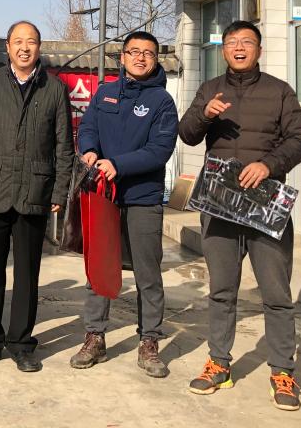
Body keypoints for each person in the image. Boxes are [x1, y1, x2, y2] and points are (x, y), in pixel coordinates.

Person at [178, 20, 301, 411]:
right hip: (220, 205)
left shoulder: (279, 91)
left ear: (258, 50)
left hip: (265, 204)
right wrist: (205, 114)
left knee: (276, 293)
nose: (239, 48)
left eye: (246, 42)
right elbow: (187, 134)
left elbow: (299, 138)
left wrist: (269, 165)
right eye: (232, 42)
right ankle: (219, 363)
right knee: (221, 290)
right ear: (223, 50)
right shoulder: (209, 90)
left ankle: (282, 371)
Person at [0, 21, 73, 372]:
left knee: (27, 275)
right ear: (7, 47)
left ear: (39, 47)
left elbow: (64, 146)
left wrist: (59, 190)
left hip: (34, 192)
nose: (25, 48)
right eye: (18, 41)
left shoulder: (54, 89)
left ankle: (22, 344)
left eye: (31, 42)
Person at [68, 31, 178, 378]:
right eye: (134, 51)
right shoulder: (105, 93)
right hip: (104, 196)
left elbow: (160, 150)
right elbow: (88, 128)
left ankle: (149, 340)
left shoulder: (162, 101)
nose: (141, 57)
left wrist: (119, 164)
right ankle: (95, 336)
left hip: (143, 198)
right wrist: (89, 150)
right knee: (99, 268)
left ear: (156, 60)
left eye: (148, 53)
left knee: (148, 274)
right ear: (123, 57)